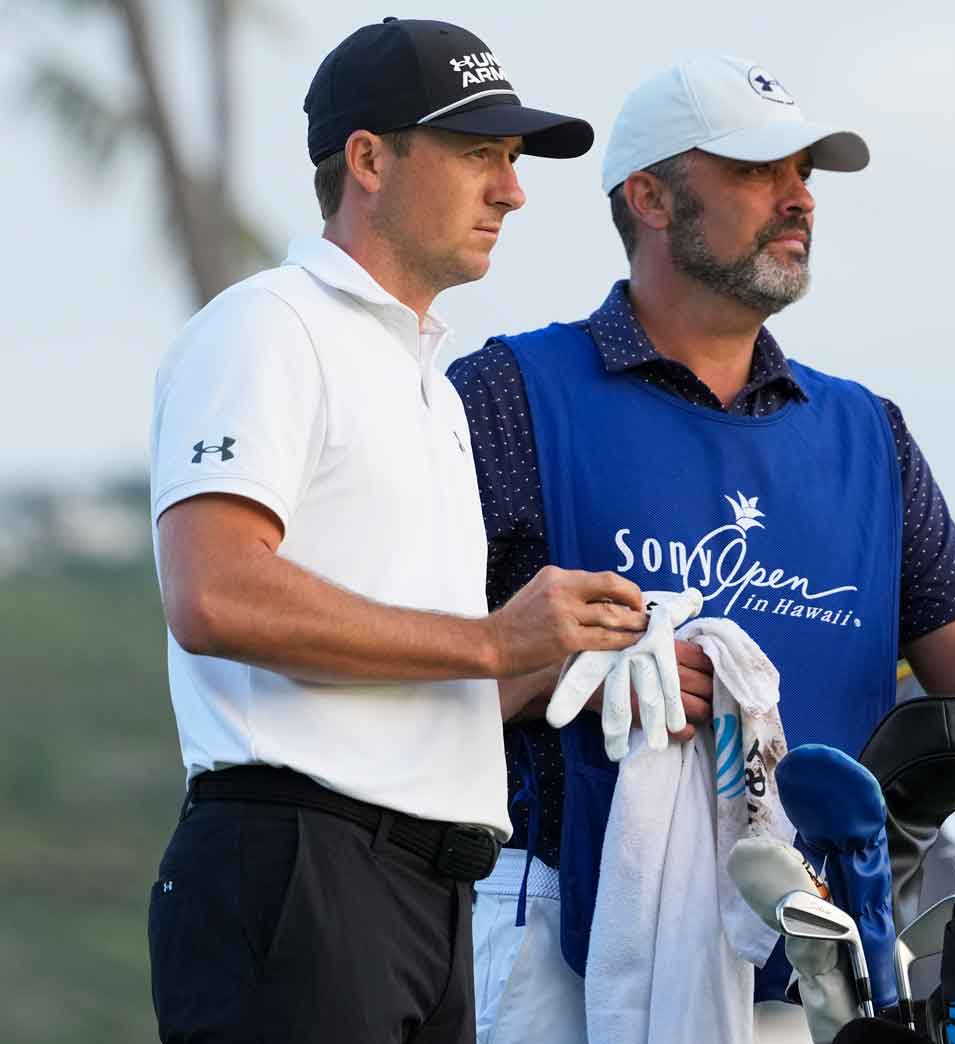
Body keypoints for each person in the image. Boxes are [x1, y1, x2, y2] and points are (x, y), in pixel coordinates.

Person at [446, 53, 955, 1042]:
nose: (797, 199)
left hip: (809, 969)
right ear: (649, 196)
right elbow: (417, 669)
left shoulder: (867, 434)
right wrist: (569, 666)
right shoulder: (504, 393)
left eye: (804, 175)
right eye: (756, 171)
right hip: (556, 945)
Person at [144, 19, 646, 1043]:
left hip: (419, 894)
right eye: (478, 154)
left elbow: (402, 680)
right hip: (296, 870)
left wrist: (549, 664)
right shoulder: (266, 326)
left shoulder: (429, 382)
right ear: (367, 158)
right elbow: (214, 594)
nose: (510, 189)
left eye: (510, 160)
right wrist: (493, 639)